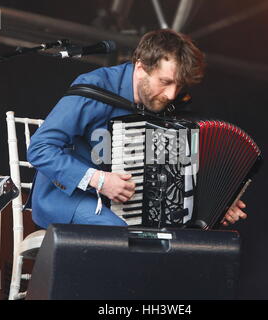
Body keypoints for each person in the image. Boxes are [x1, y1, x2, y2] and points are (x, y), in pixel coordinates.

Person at [27, 29, 248, 229]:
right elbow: (40, 149)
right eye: (165, 81)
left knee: (186, 242)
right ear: (141, 67)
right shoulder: (95, 88)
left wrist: (218, 203)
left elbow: (178, 174)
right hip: (71, 196)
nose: (171, 94)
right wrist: (100, 180)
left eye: (179, 85)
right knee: (125, 239)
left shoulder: (173, 103)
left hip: (132, 205)